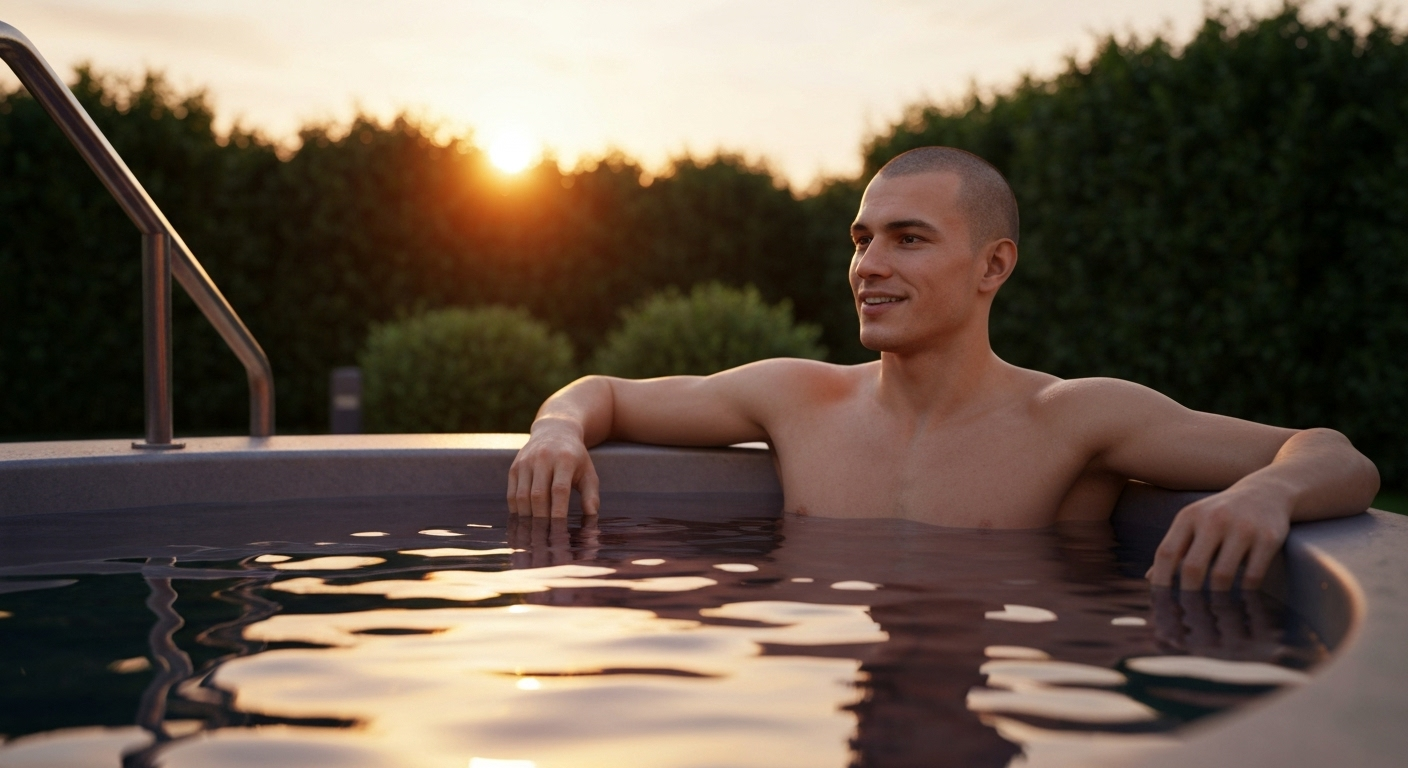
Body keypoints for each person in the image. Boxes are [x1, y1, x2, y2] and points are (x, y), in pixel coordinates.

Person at [506, 146, 1379, 591]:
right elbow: (605, 393)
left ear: (992, 267)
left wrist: (1265, 493)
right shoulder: (796, 397)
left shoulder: (1075, 419)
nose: (868, 264)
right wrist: (556, 428)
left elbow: (1335, 455)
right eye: (862, 238)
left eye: (908, 239)